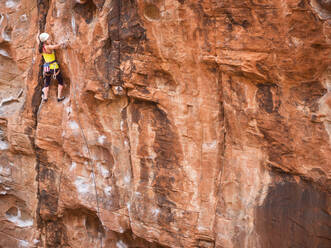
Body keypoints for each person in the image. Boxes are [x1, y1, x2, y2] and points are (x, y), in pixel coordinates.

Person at [38, 32, 67, 102]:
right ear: (45, 41)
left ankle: (45, 97)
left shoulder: (41, 47)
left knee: (47, 82)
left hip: (46, 67)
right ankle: (59, 97)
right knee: (60, 81)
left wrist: (37, 35)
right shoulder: (48, 47)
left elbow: (37, 40)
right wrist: (63, 42)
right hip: (53, 66)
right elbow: (56, 46)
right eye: (48, 39)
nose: (50, 40)